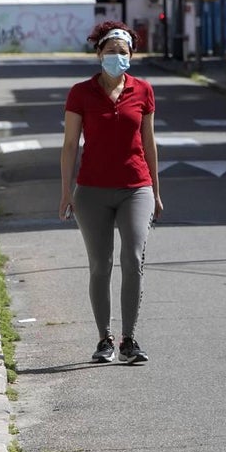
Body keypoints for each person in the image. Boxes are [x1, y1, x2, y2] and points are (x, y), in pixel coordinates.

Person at [60, 21, 162, 365]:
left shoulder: (143, 91)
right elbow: (70, 144)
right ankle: (104, 339)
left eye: (123, 52)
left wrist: (156, 192)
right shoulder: (80, 93)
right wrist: (65, 191)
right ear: (98, 53)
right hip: (91, 191)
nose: (117, 57)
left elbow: (148, 143)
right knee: (100, 265)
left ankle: (129, 340)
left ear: (131, 56)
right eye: (111, 51)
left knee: (132, 260)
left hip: (136, 187)